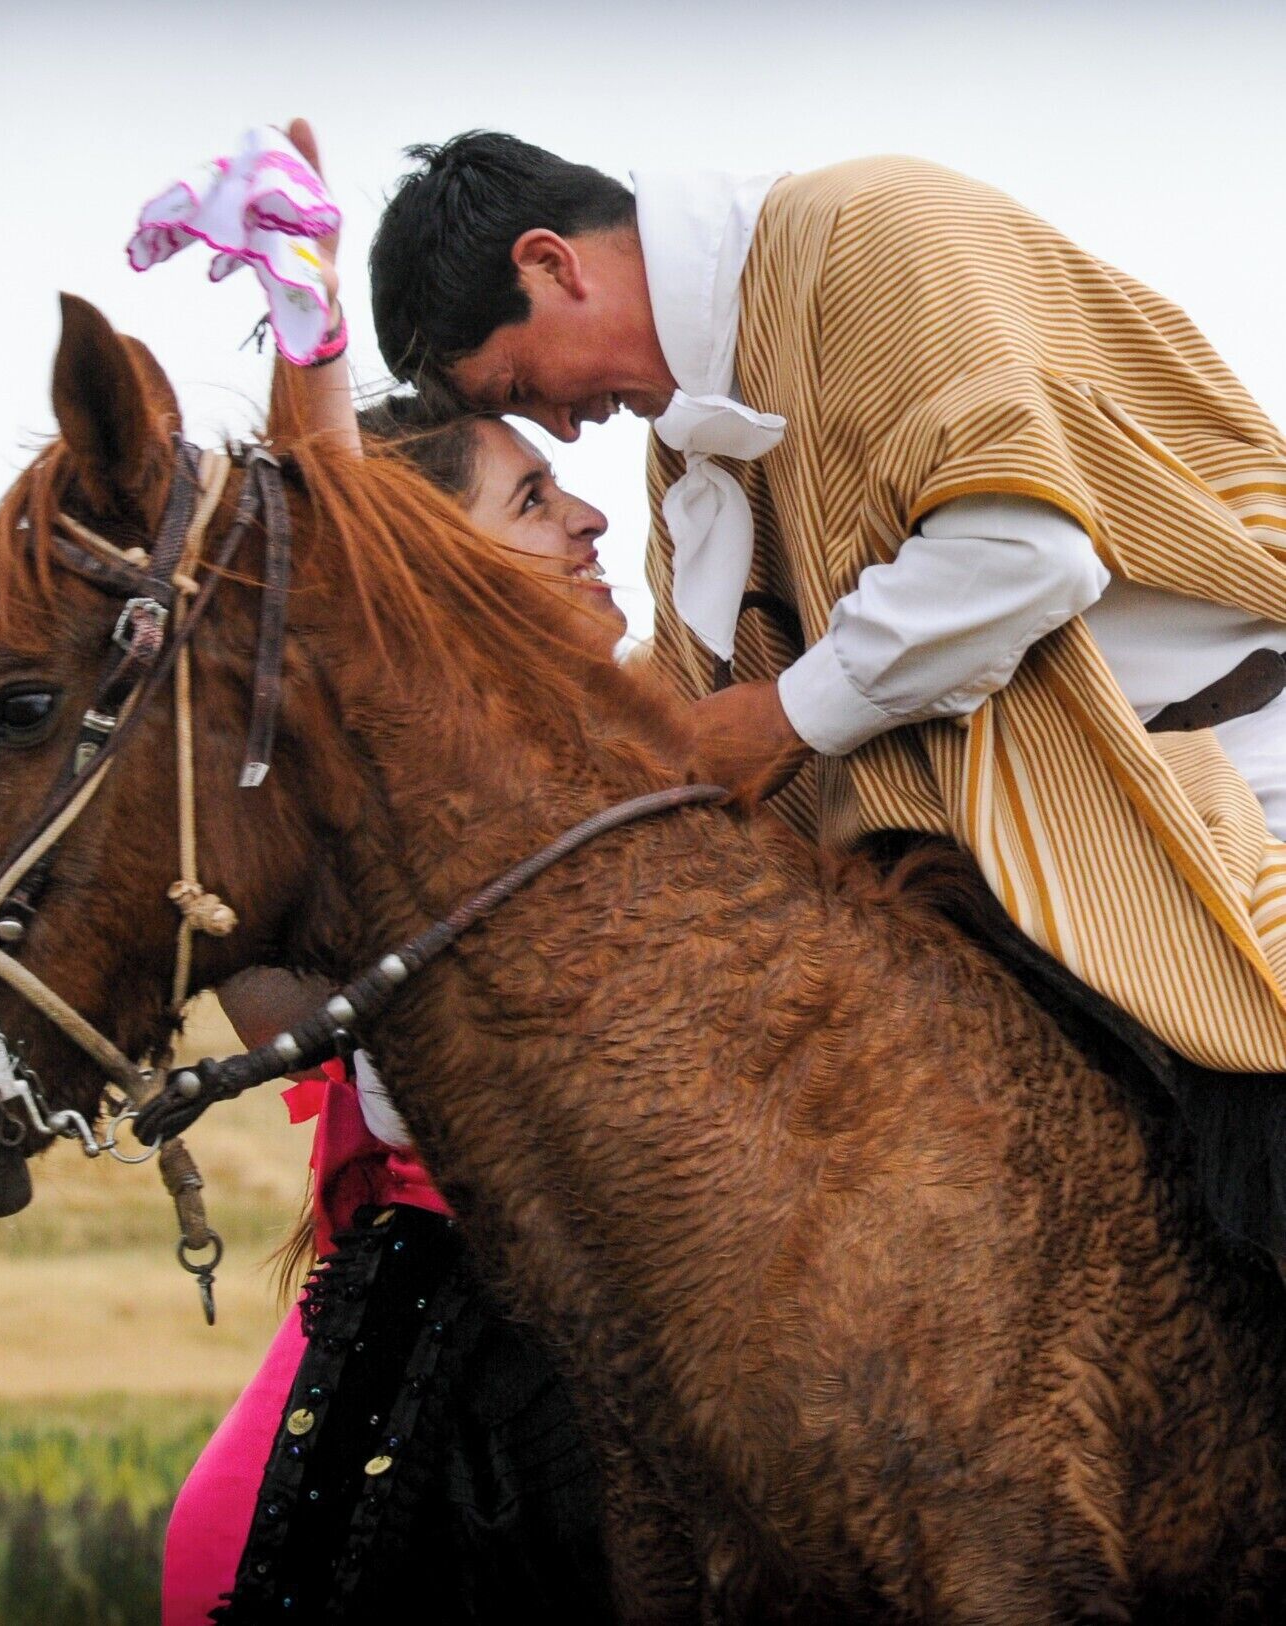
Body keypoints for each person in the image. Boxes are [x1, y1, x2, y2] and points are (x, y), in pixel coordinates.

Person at [368, 132, 1286, 1256]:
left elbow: (1022, 550)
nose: (562, 428)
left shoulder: (872, 228)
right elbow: (696, 717)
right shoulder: (688, 445)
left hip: (1231, 786)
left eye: (522, 387)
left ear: (554, 264)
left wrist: (781, 720)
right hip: (1004, 871)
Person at [162, 127, 622, 1623]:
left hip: (654, 1280)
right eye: (532, 503)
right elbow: (357, 562)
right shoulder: (422, 770)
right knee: (219, 1550)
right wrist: (306, 316)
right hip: (444, 1299)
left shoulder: (683, 729)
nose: (590, 517)